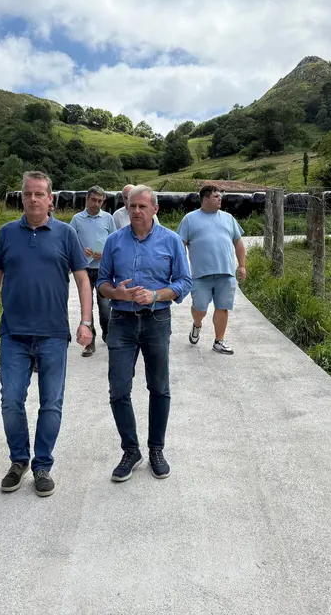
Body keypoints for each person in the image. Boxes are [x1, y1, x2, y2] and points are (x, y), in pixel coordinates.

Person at [0, 171, 94, 498]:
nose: (32, 199)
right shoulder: (6, 234)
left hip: (53, 335)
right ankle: (19, 461)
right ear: (22, 197)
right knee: (11, 401)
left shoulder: (65, 234)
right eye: (27, 194)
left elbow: (83, 280)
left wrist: (86, 321)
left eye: (38, 194)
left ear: (50, 200)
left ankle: (42, 464)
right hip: (13, 335)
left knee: (51, 403)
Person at [97, 185, 191, 482]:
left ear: (155, 209)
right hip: (122, 323)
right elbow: (102, 282)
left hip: (156, 320)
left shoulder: (172, 241)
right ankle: (130, 450)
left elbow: (184, 282)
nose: (136, 211)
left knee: (159, 387)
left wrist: (155, 295)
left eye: (142, 206)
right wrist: (119, 294)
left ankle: (156, 449)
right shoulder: (114, 241)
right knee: (118, 389)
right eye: (132, 206)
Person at [177, 184, 246, 355]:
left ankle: (219, 341)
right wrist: (181, 269)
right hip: (200, 275)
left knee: (223, 307)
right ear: (205, 198)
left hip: (226, 273)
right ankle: (197, 324)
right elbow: (180, 245)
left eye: (220, 196)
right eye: (216, 196)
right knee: (200, 308)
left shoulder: (228, 218)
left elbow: (238, 243)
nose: (219, 198)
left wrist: (242, 265)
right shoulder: (190, 219)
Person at [70, 185, 117, 356]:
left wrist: (105, 253)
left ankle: (107, 333)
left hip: (103, 270)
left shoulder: (108, 219)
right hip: (83, 270)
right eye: (93, 200)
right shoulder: (76, 219)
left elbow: (115, 242)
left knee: (105, 307)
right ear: (87, 199)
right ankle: (89, 341)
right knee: (87, 308)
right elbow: (70, 243)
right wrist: (80, 251)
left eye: (99, 201)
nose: (96, 204)